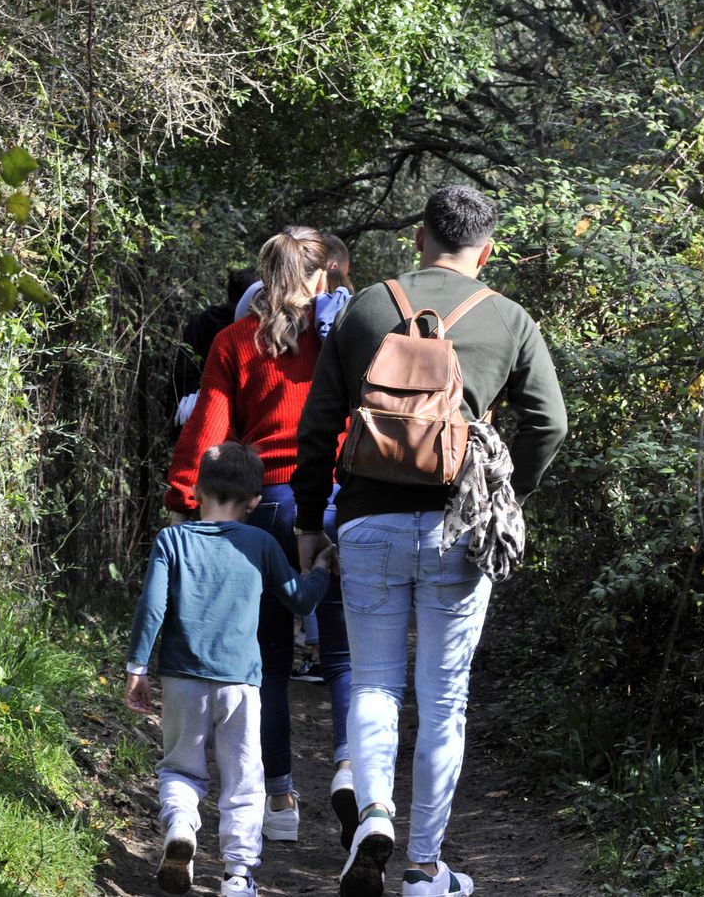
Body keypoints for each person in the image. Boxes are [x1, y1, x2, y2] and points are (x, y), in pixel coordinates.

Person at [291, 185, 568, 897]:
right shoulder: (509, 319)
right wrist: (506, 495)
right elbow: (549, 424)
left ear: (419, 239)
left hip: (368, 523)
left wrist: (310, 522)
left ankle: (373, 811)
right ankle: (422, 866)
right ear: (488, 248)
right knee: (444, 700)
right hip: (458, 529)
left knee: (377, 682)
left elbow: (319, 426)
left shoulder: (366, 308)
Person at [163, 225, 359, 848]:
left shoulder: (234, 340)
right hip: (334, 500)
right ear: (321, 276)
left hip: (267, 506)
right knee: (343, 655)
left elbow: (209, 433)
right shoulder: (346, 339)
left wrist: (181, 500)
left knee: (270, 662)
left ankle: (279, 799)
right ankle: (352, 768)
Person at [125, 442, 337, 897]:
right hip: (242, 681)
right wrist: (320, 569)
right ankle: (238, 874)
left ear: (197, 491)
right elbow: (299, 599)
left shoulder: (172, 540)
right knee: (243, 779)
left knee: (181, 768)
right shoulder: (260, 542)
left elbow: (151, 608)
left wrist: (137, 667)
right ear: (256, 502)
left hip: (182, 677)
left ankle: (181, 826)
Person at [172, 268, 257, 429]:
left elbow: (182, 369)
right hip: (237, 412)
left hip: (196, 408)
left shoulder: (200, 321)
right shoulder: (252, 327)